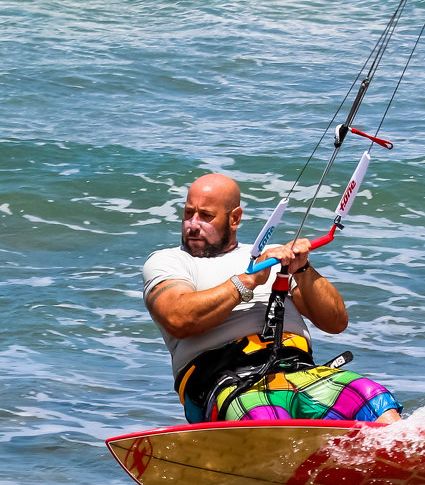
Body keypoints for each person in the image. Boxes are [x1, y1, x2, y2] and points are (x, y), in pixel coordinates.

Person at [143, 173, 403, 425]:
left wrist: (302, 269)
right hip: (231, 382)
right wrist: (248, 281)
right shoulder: (169, 261)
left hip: (300, 372)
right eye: (188, 213)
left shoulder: (272, 257)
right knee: (266, 421)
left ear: (234, 219)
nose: (193, 224)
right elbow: (179, 318)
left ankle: (406, 459)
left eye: (206, 216)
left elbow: (335, 322)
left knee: (373, 398)